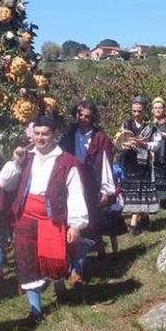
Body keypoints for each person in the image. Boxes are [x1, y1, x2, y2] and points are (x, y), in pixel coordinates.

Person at [0, 115, 89, 323]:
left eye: (44, 134)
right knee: (27, 260)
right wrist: (15, 161)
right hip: (25, 217)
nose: (40, 138)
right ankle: (35, 309)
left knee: (54, 261)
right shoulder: (25, 158)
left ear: (54, 135)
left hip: (52, 219)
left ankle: (59, 287)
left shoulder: (66, 162)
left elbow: (75, 192)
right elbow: (5, 183)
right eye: (36, 133)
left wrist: (76, 224)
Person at [59, 99, 115, 282]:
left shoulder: (100, 138)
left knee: (88, 226)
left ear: (93, 118)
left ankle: (77, 269)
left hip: (91, 186)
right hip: (70, 185)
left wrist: (107, 190)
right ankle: (69, 264)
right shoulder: (68, 136)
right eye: (80, 115)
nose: (83, 119)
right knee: (69, 225)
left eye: (87, 117)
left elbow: (106, 164)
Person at [119, 96, 160, 235]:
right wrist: (126, 145)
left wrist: (144, 144)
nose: (136, 114)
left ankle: (134, 223)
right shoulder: (125, 125)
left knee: (142, 191)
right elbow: (120, 141)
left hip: (143, 164)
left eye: (139, 111)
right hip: (130, 162)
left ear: (144, 111)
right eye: (134, 111)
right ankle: (142, 217)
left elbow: (156, 144)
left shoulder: (151, 127)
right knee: (133, 192)